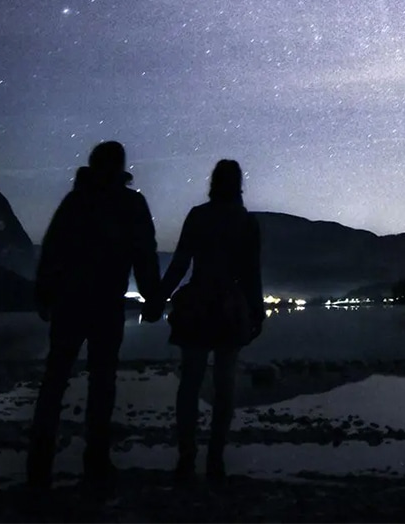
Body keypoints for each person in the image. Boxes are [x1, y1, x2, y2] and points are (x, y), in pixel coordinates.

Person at [27, 140, 160, 494]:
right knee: (102, 381)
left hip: (71, 303)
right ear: (120, 167)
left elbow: (53, 248)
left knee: (56, 378)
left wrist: (44, 292)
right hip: (105, 304)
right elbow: (144, 252)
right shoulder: (131, 203)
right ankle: (95, 459)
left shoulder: (76, 201)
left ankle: (38, 462)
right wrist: (153, 297)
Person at [151, 159, 263, 484]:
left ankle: (187, 456)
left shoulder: (198, 216)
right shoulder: (246, 222)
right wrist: (257, 310)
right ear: (238, 184)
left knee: (190, 383)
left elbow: (180, 263)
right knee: (225, 383)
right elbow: (251, 274)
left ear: (213, 182)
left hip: (198, 303)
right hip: (230, 306)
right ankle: (216, 457)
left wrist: (159, 297)